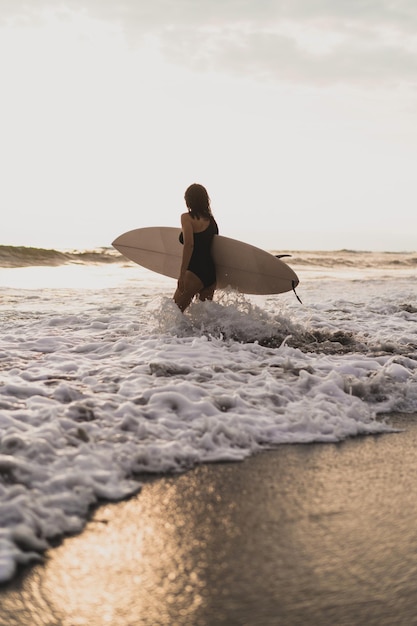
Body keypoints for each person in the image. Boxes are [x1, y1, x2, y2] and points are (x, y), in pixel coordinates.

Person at [173, 183, 219, 312]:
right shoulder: (211, 220)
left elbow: (189, 244)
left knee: (174, 313)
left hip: (194, 272)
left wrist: (182, 274)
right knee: (204, 321)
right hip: (211, 275)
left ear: (188, 200)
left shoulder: (186, 217)